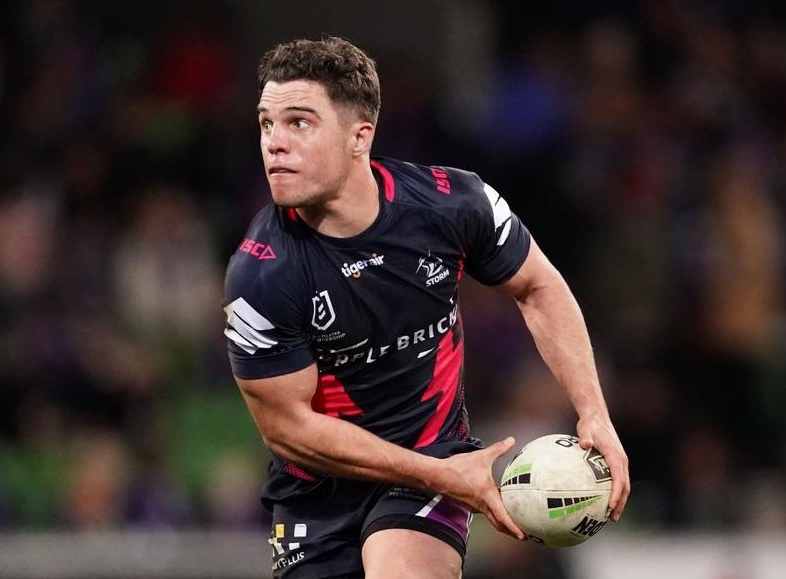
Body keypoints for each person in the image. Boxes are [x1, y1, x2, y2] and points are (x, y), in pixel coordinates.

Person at [223, 36, 630, 579]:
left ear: (359, 136)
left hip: (433, 455)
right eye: (266, 124)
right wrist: (439, 475)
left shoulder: (452, 205)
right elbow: (288, 429)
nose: (275, 143)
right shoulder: (261, 273)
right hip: (318, 491)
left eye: (299, 122)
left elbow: (538, 286)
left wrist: (593, 412)